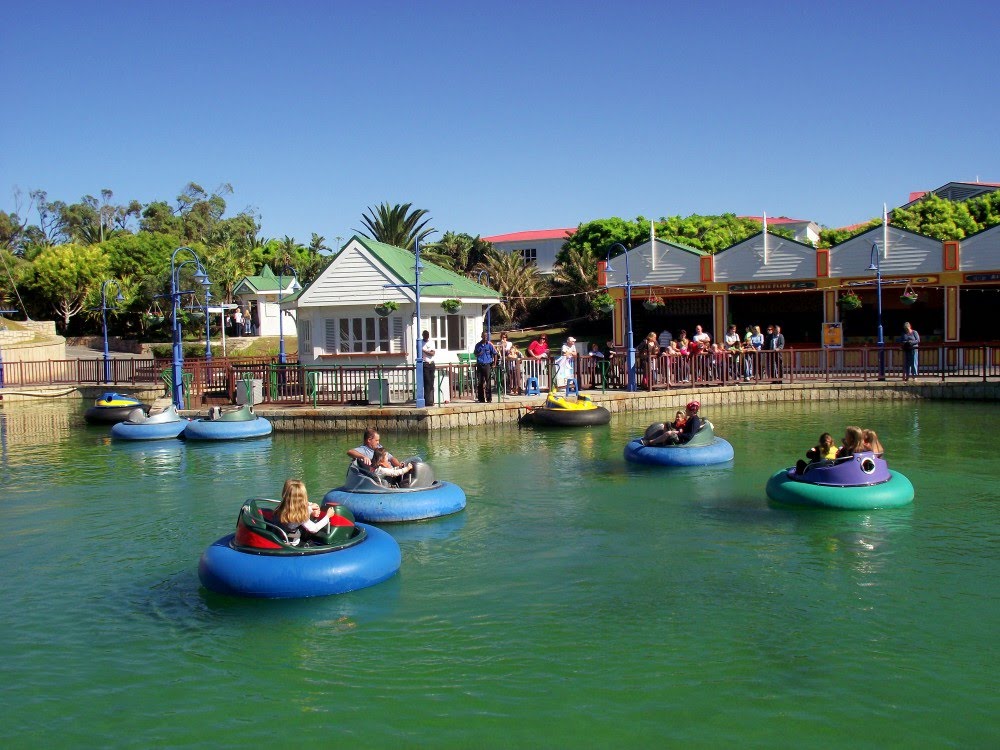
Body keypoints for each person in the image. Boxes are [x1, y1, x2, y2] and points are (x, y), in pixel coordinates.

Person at [272, 479, 340, 546]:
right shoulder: (300, 515)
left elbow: (296, 508)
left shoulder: (282, 507)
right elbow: (314, 529)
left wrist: (310, 508)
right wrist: (328, 516)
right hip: (293, 544)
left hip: (280, 538)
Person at [473, 331, 498, 403]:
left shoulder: (489, 345)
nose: (485, 337)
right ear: (481, 336)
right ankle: (481, 399)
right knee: (480, 382)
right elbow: (475, 353)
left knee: (488, 382)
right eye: (484, 336)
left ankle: (489, 398)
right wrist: (478, 353)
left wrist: (494, 363)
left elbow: (495, 354)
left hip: (487, 365)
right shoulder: (478, 345)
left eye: (486, 336)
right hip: (480, 364)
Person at [420, 330, 436, 406]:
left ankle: (431, 400)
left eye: (427, 335)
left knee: (431, 382)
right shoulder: (420, 343)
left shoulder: (431, 342)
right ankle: (427, 401)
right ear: (423, 335)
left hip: (431, 363)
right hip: (425, 364)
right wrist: (427, 352)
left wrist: (424, 351)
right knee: (427, 382)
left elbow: (432, 353)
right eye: (425, 335)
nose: (426, 337)